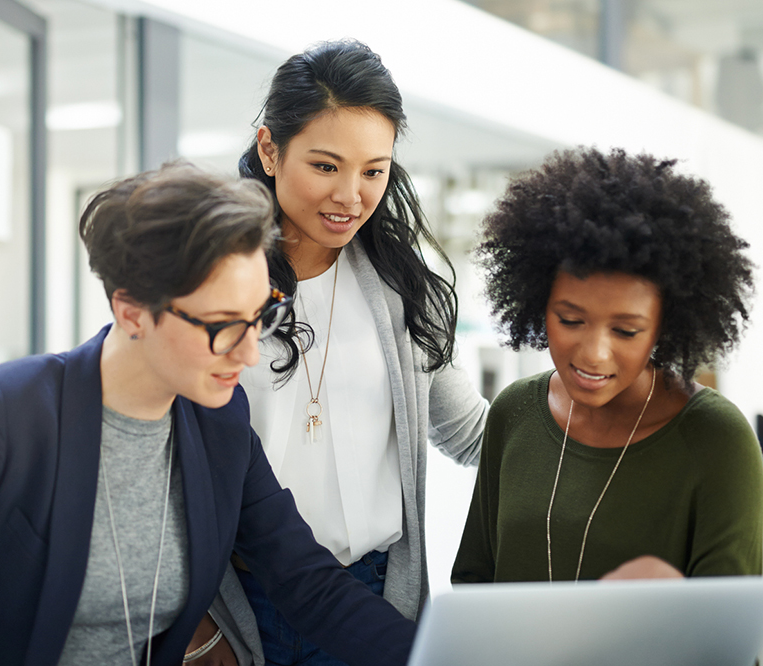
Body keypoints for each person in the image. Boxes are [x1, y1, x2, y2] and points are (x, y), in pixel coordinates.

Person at [0, 163, 416, 666]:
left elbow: (305, 581)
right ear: (131, 313)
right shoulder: (3, 414)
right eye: (223, 325)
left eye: (261, 316)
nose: (250, 351)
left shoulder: (219, 422)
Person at [189, 40, 488, 666]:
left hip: (372, 600)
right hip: (241, 607)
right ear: (270, 149)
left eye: (373, 170)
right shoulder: (207, 279)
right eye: (326, 166)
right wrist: (198, 634)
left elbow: (469, 433)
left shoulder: (404, 287)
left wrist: (602, 419)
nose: (352, 195)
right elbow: (157, 455)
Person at [452, 147, 763, 585]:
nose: (593, 353)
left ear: (664, 326)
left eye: (626, 331)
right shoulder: (514, 412)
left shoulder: (715, 438)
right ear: (539, 304)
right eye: (571, 320)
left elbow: (727, 638)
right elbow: (473, 582)